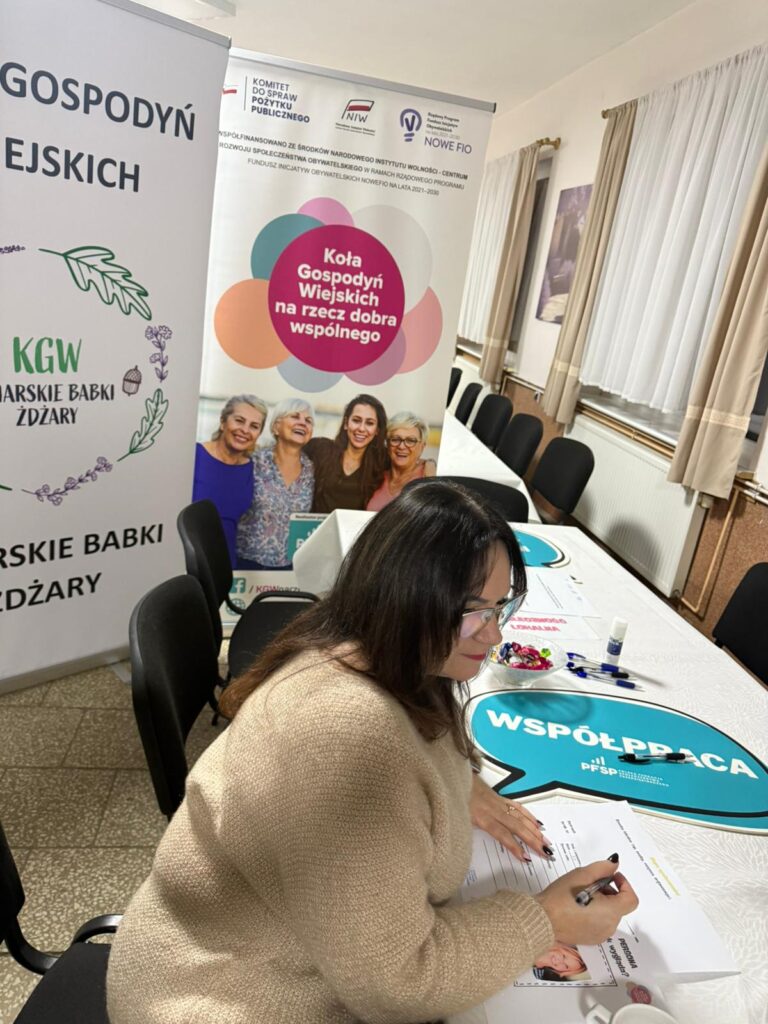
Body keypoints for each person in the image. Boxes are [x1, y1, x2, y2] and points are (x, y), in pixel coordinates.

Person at [106, 481, 638, 1024]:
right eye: (474, 611)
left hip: (253, 957)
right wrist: (545, 920)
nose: (495, 634)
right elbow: (398, 985)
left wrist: (460, 785)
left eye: (501, 607)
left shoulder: (362, 651)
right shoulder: (348, 741)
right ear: (405, 598)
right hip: (222, 998)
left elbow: (415, 750)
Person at [236, 398, 316, 570]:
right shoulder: (253, 462)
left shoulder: (312, 470)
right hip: (247, 565)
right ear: (276, 427)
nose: (303, 423)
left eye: (308, 421)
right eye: (295, 416)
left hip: (290, 567)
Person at [192, 394, 267, 567]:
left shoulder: (251, 468)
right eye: (239, 421)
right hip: (184, 561)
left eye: (254, 426)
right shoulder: (194, 455)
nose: (245, 430)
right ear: (223, 422)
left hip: (224, 565)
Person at [305, 393, 387, 512]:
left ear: (377, 430)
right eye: (356, 420)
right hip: (316, 524)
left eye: (369, 423)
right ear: (346, 423)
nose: (361, 428)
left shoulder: (383, 462)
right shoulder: (320, 448)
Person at [366, 410, 436, 511]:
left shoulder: (428, 477)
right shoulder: (376, 476)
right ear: (387, 443)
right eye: (395, 439)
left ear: (422, 446)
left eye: (411, 440)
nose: (401, 446)